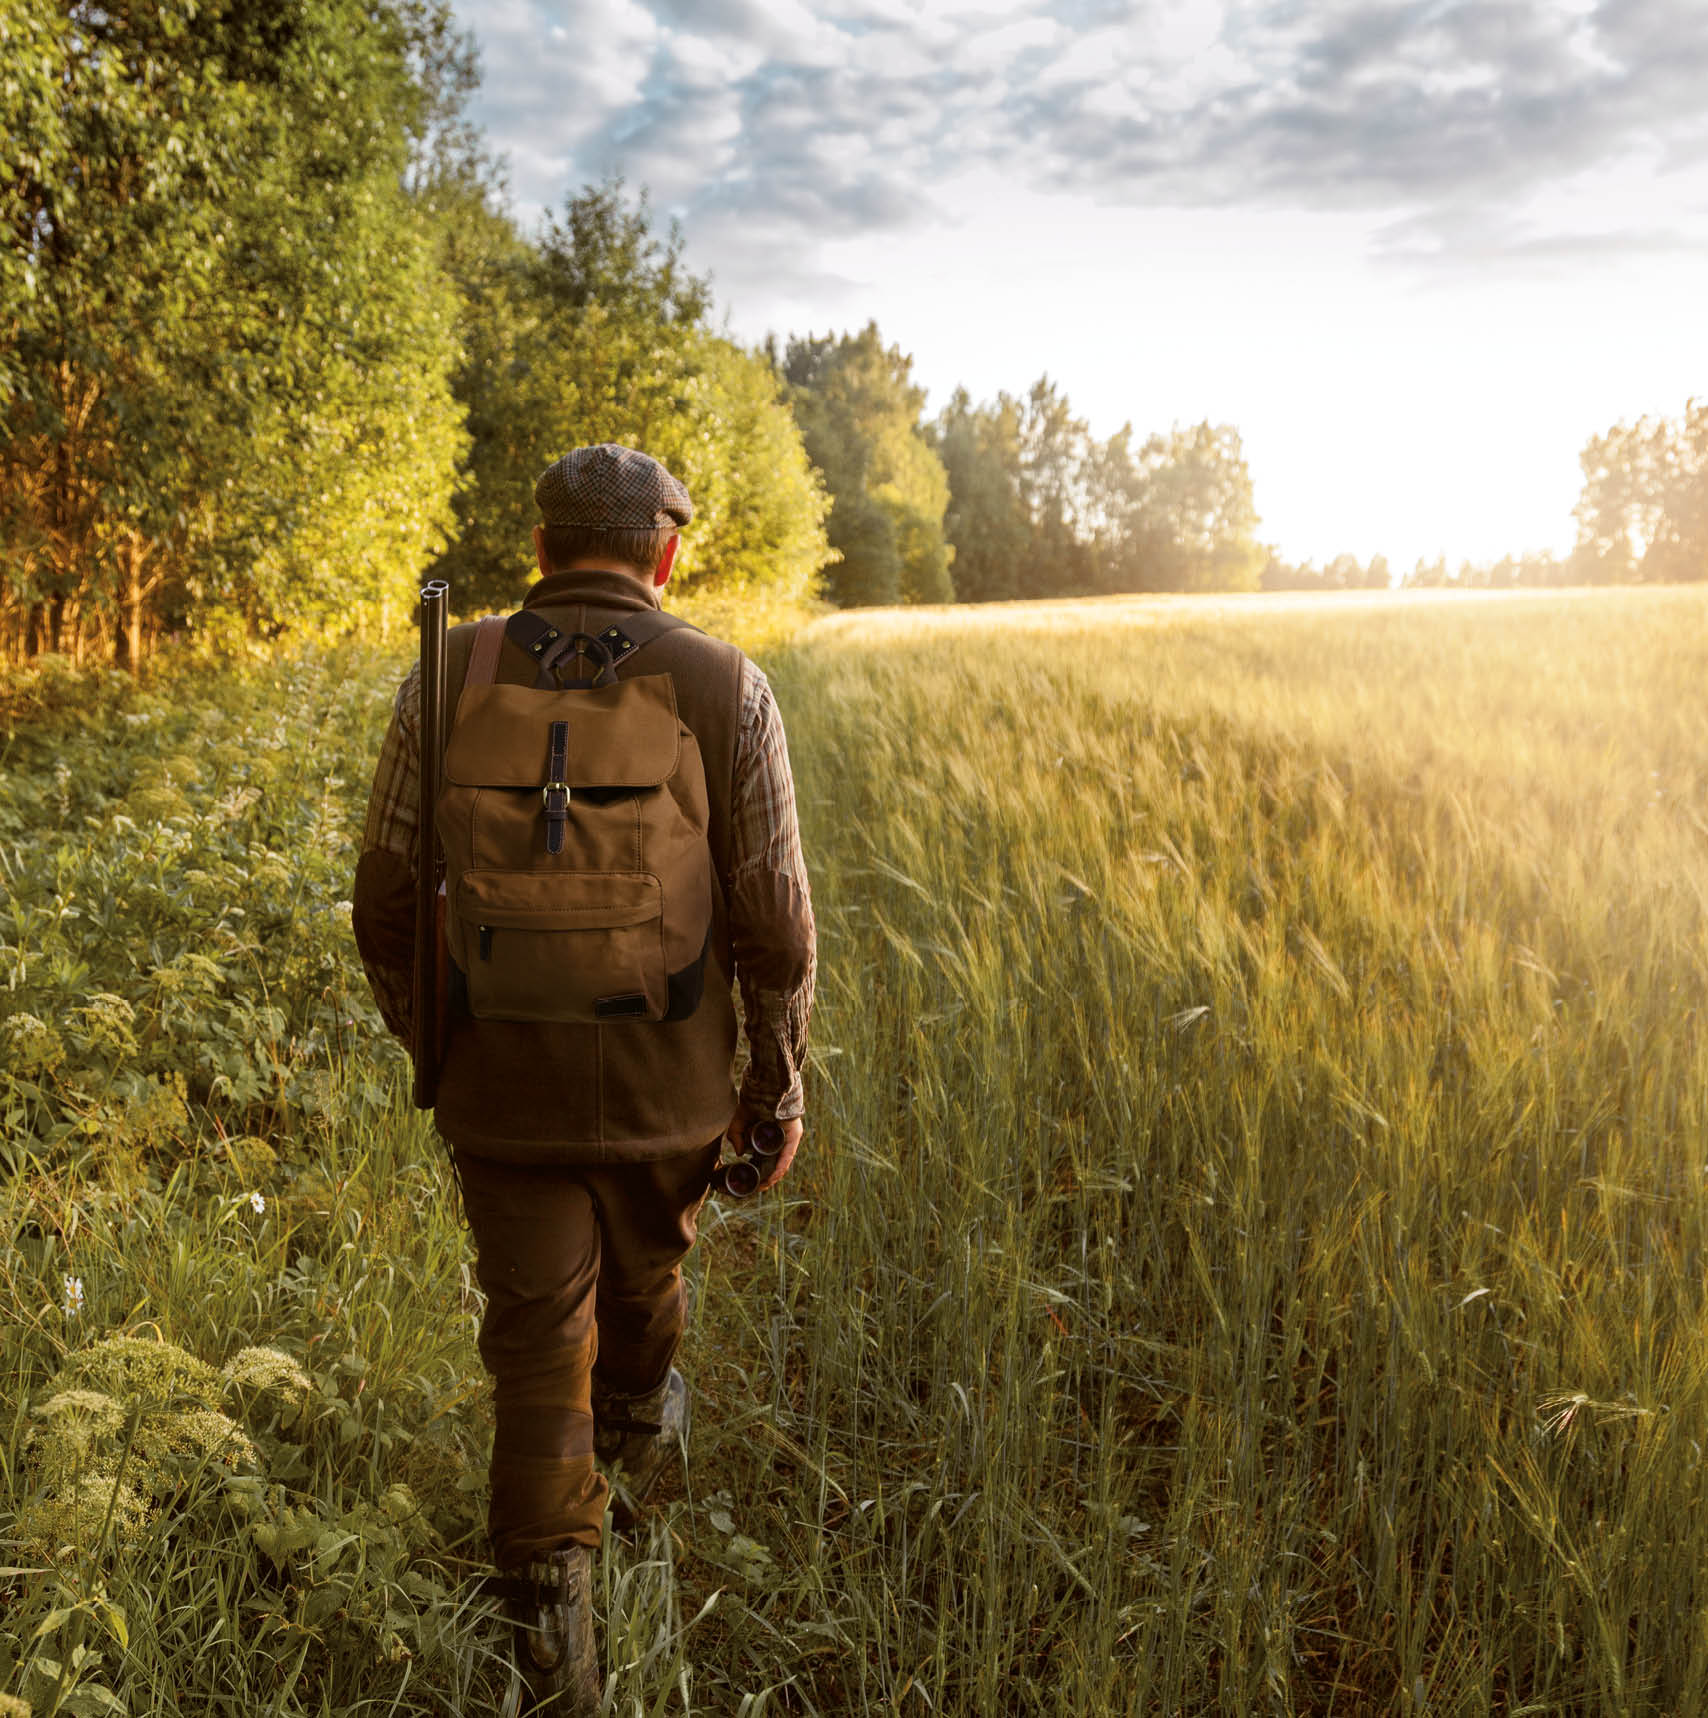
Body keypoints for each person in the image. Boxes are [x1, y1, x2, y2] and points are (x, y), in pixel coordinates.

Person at [351, 444, 816, 1713]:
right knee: (646, 1283)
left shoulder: (448, 671)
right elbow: (775, 919)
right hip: (672, 1090)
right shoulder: (727, 685)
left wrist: (437, 1044)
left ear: (544, 544)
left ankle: (557, 1622)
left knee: (533, 1340)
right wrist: (773, 1086)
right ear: (663, 551)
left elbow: (384, 895)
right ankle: (629, 1449)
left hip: (499, 1091)